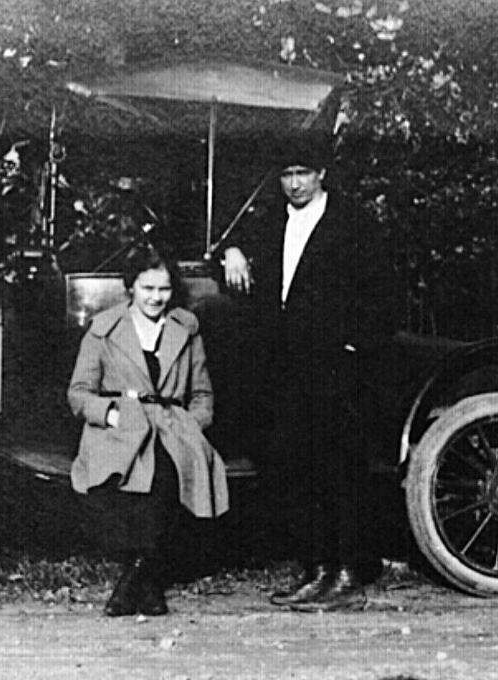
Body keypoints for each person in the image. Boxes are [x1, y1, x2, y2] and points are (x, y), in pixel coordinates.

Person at [219, 134, 394, 612]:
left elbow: (383, 292)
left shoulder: (352, 222)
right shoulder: (271, 220)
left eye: (303, 174)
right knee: (297, 470)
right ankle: (317, 570)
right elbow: (235, 251)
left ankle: (348, 573)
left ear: (322, 175)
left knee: (339, 469)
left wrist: (355, 346)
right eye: (287, 175)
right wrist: (232, 251)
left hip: (337, 367)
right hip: (284, 368)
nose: (294, 184)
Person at [68, 247, 230, 617]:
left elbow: (202, 394)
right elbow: (78, 393)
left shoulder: (185, 329)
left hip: (172, 427)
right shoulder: (104, 329)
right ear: (131, 288)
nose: (156, 298)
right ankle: (150, 583)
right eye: (148, 289)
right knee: (133, 476)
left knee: (166, 473)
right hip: (119, 428)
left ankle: (135, 580)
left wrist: (192, 424)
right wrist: (110, 416)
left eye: (164, 289)